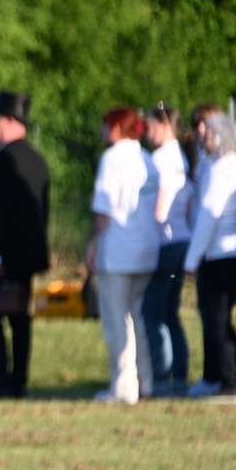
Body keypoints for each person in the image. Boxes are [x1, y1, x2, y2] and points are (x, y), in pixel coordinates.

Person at [0, 90, 51, 399]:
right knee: (20, 317)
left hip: (2, 256)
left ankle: (0, 377)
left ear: (9, 122)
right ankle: (19, 380)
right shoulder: (37, 160)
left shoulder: (4, 160)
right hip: (26, 256)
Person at [86, 106, 160, 404]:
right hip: (147, 251)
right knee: (137, 318)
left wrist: (92, 243)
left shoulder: (112, 158)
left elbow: (104, 208)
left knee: (117, 321)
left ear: (116, 128)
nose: (103, 131)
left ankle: (123, 387)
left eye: (106, 125)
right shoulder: (147, 159)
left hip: (117, 252)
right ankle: (145, 381)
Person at [183, 110, 236, 404]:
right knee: (221, 319)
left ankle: (229, 383)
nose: (203, 137)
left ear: (221, 137)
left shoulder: (221, 168)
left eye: (209, 132)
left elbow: (209, 216)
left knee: (216, 320)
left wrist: (192, 260)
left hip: (221, 254)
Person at [140, 102, 194, 397]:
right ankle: (180, 374)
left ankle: (162, 375)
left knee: (153, 312)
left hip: (165, 243)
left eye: (150, 126)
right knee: (170, 313)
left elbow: (159, 208)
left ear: (163, 125)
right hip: (182, 241)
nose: (147, 133)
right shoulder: (181, 157)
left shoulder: (159, 158)